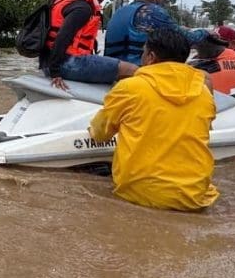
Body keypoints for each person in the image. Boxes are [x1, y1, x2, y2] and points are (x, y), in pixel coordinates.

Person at [88, 28, 219, 211]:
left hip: (140, 194)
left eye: (143, 52)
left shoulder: (129, 88)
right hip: (194, 196)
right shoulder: (204, 92)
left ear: (150, 56)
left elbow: (100, 134)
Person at [43, 0, 138, 90]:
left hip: (48, 63)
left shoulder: (70, 1)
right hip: (67, 63)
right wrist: (55, 73)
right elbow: (63, 37)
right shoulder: (83, 9)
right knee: (133, 69)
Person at [103, 0, 207, 65]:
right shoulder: (152, 11)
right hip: (137, 70)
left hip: (113, 69)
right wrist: (205, 33)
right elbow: (187, 38)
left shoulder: (119, 11)